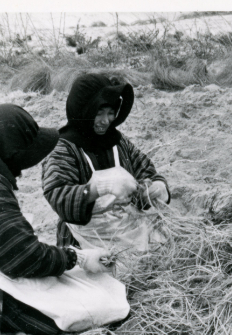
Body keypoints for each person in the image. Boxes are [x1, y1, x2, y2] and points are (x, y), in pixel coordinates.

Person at [0, 104, 118, 335]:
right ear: (12, 151)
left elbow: (12, 243)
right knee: (88, 313)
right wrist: (76, 257)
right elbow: (23, 259)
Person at [42, 73, 170, 250]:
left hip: (127, 234)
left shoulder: (117, 142)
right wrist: (96, 189)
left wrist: (156, 187)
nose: (105, 121)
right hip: (84, 245)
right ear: (83, 110)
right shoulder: (63, 148)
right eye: (98, 113)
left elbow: (145, 169)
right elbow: (58, 195)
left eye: (111, 113)